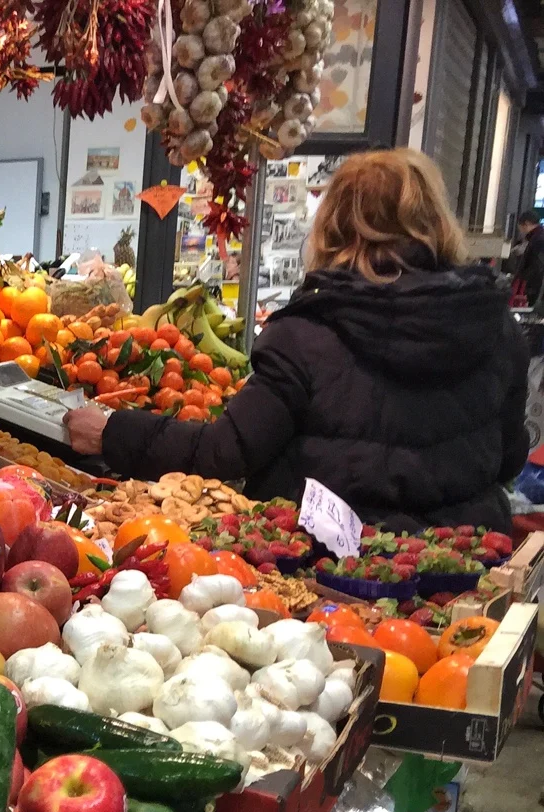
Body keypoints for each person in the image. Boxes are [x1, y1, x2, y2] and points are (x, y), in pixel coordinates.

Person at [63, 148, 529, 531]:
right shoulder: (496, 327)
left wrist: (112, 431)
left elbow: (228, 450)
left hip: (335, 577)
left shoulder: (307, 335)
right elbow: (508, 458)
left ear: (335, 225)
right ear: (435, 221)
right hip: (466, 567)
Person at [514, 209, 544, 306]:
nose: (521, 231)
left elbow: (537, 265)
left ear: (526, 224)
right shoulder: (538, 237)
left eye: (520, 227)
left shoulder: (538, 239)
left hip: (536, 286)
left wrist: (525, 280)